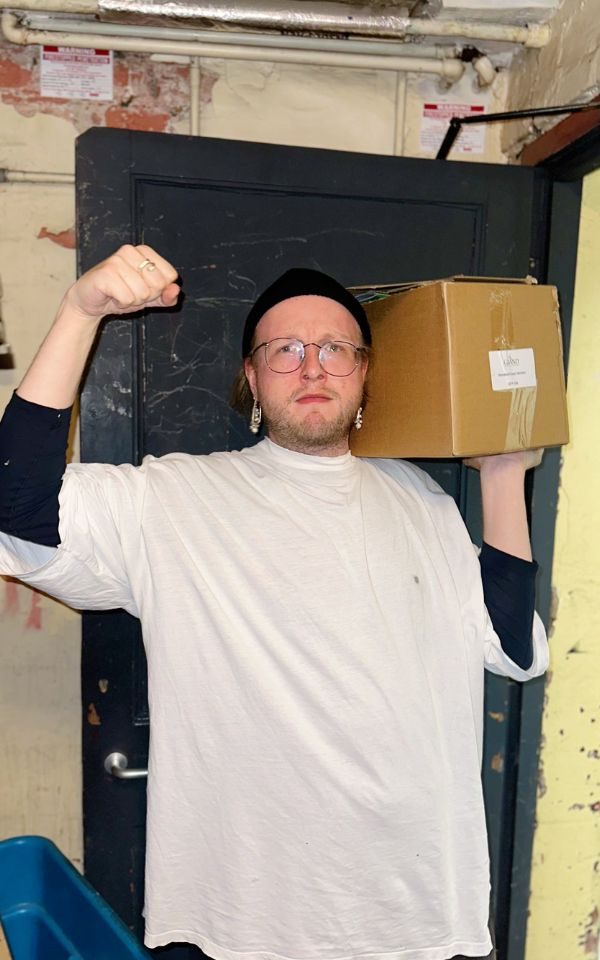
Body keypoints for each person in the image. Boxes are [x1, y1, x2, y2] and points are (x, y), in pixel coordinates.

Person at [0, 244, 547, 960]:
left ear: (365, 375)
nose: (313, 365)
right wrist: (82, 311)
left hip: (419, 918)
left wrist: (506, 479)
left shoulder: (423, 502)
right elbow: (18, 506)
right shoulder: (174, 500)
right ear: (251, 379)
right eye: (285, 349)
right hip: (242, 921)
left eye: (335, 348)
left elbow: (511, 647)